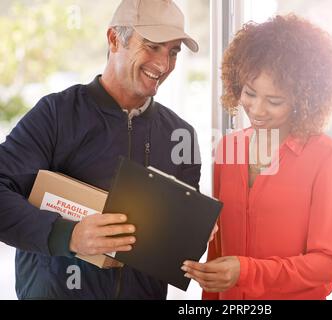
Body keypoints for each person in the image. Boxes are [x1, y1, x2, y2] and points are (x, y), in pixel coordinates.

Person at [0, 0, 203, 299]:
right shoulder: (56, 114)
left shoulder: (180, 135)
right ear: (113, 39)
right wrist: (68, 236)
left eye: (173, 52)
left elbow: (179, 252)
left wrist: (196, 232)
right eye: (152, 46)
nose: (164, 65)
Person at [182, 14, 332, 300]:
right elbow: (219, 253)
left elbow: (326, 264)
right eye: (249, 93)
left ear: (303, 99)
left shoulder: (328, 158)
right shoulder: (228, 149)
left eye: (274, 101)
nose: (257, 110)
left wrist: (247, 271)